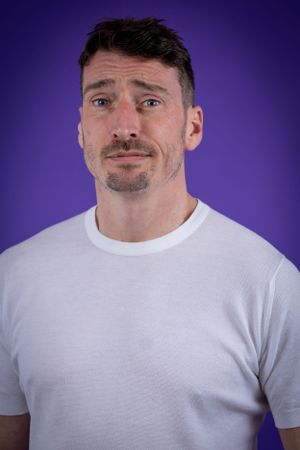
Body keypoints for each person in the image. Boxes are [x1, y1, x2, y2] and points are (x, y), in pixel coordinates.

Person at [0, 17, 299, 450]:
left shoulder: (269, 282)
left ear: (192, 127)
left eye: (150, 101)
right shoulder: (12, 277)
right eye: (101, 101)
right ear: (81, 129)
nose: (124, 126)